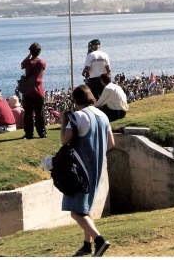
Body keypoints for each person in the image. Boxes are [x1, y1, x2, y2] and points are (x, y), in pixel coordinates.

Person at [60, 85, 115, 257]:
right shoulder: (102, 115)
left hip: (80, 170)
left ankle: (99, 240)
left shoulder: (79, 116)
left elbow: (64, 140)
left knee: (75, 212)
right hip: (97, 167)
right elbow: (111, 144)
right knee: (86, 207)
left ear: (75, 100)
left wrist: (63, 120)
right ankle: (86, 245)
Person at [20, 42, 47, 139]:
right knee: (39, 113)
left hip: (28, 91)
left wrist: (29, 55)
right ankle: (42, 133)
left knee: (28, 114)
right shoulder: (42, 62)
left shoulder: (27, 63)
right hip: (39, 91)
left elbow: (22, 65)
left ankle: (29, 134)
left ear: (31, 51)